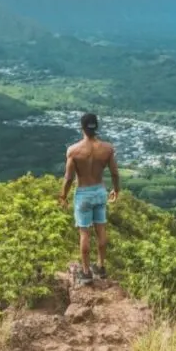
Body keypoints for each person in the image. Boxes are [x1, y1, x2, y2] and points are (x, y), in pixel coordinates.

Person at [59, 113, 120, 285]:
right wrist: (116, 190)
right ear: (97, 127)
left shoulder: (74, 151)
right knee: (101, 229)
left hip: (83, 193)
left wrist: (63, 196)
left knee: (84, 232)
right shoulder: (107, 149)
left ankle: (85, 272)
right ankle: (101, 267)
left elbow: (69, 178)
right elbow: (115, 173)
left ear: (82, 127)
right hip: (100, 192)